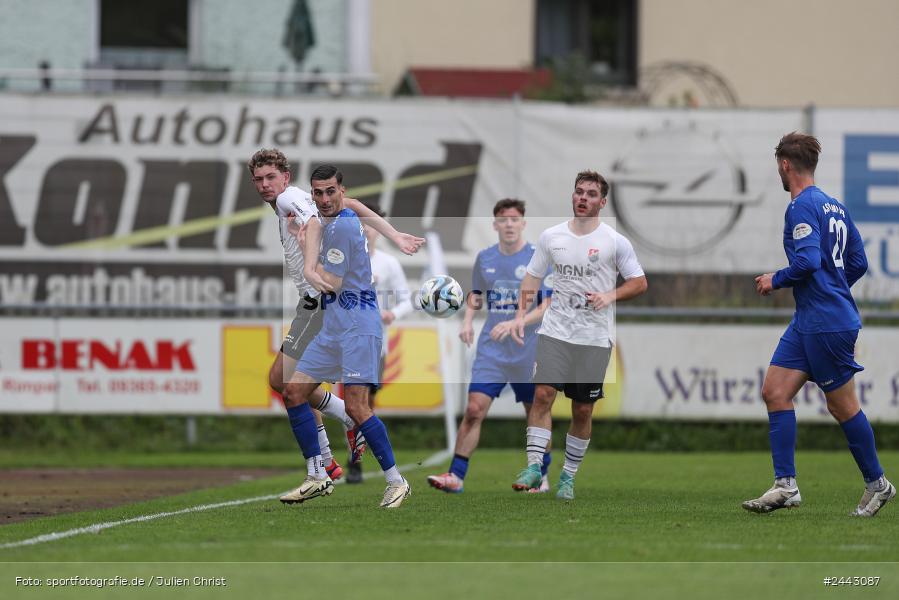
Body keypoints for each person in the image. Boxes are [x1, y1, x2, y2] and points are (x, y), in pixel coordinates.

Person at [247, 149, 423, 500]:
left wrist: (311, 264)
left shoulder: (289, 200)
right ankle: (325, 461)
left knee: (293, 386)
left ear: (286, 177)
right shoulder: (312, 202)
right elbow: (349, 204)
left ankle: (343, 465)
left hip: (331, 307)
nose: (266, 185)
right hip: (321, 305)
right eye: (258, 179)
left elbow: (318, 232)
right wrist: (396, 235)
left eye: (271, 177)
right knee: (290, 387)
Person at [743, 132, 894, 516]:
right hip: (810, 319)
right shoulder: (835, 207)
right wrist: (833, 287)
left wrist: (774, 279)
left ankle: (878, 485)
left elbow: (808, 262)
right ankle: (785, 486)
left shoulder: (800, 207)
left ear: (785, 165)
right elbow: (857, 262)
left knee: (842, 407)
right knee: (775, 391)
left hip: (826, 322)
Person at [510, 171, 647, 500]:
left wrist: (609, 296)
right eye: (578, 192)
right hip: (555, 331)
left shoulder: (614, 241)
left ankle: (568, 477)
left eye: (590, 194)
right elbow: (531, 279)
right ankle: (533, 467)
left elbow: (639, 282)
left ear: (602, 202)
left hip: (594, 338)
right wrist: (519, 316)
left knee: (582, 410)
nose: (582, 198)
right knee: (542, 395)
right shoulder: (551, 237)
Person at [282, 165, 411, 508]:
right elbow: (361, 207)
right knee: (294, 391)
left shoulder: (341, 227)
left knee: (356, 406)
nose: (324, 199)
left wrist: (308, 249)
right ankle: (316, 476)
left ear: (341, 190)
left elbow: (330, 282)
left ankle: (396, 481)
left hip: (358, 325)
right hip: (334, 325)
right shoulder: (337, 214)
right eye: (318, 193)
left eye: (330, 192)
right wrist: (396, 235)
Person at [426, 199, 552, 494]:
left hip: (528, 347)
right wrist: (468, 321)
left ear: (523, 224)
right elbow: (476, 295)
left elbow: (548, 304)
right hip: (492, 349)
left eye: (514, 219)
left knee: (536, 412)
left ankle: (541, 476)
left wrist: (516, 323)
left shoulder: (537, 258)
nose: (509, 224)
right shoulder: (485, 258)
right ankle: (456, 476)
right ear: (495, 225)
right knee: (473, 409)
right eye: (503, 219)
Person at [345, 201, 415, 484]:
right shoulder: (343, 258)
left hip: (375, 344)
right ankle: (326, 458)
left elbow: (409, 299)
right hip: (342, 339)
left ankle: (356, 460)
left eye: (371, 225)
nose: (366, 230)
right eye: (360, 224)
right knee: (348, 402)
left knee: (363, 402)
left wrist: (392, 313)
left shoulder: (388, 263)